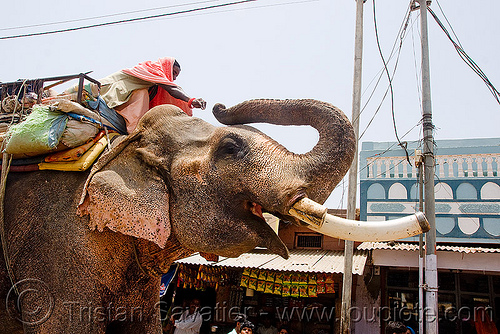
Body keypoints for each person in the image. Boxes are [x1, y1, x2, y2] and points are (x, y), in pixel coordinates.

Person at [98, 57, 206, 133]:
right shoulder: (153, 69)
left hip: (123, 98)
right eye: (173, 72)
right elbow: (172, 89)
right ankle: (135, 132)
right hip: (110, 91)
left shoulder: (154, 83)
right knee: (142, 93)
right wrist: (190, 100)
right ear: (166, 66)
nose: (174, 78)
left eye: (176, 75)